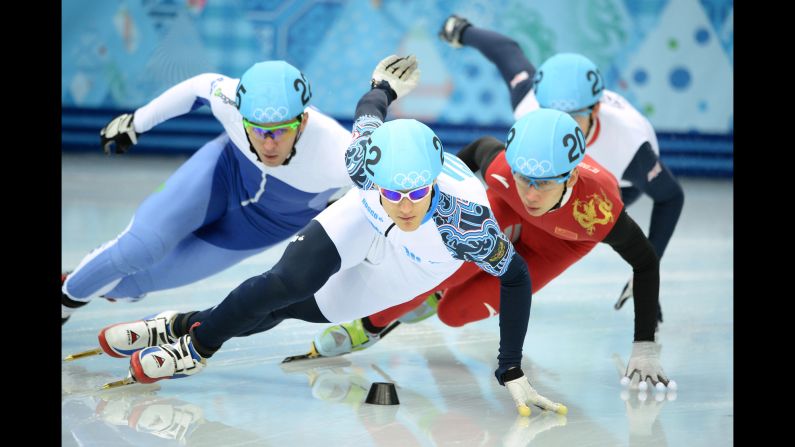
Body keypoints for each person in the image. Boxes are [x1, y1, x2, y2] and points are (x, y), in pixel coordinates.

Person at [92, 55, 565, 416]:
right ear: (373, 175)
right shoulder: (363, 162)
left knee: (290, 309)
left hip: (418, 263)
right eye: (392, 191)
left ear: (432, 184)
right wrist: (383, 85)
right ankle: (196, 347)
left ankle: (182, 322)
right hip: (362, 216)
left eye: (416, 191)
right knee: (284, 282)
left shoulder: (465, 224)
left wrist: (510, 368)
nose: (403, 203)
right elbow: (370, 109)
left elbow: (516, 277)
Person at [310, 75, 675, 390]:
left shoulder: (598, 208)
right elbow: (464, 158)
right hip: (504, 209)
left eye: (544, 184)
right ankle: (371, 325)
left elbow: (645, 263)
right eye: (524, 179)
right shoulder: (500, 167)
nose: (531, 194)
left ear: (572, 177)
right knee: (442, 267)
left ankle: (438, 298)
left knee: (454, 313)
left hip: (560, 245)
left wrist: (644, 345)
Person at [61, 60, 353, 325]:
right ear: (242, 115)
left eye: (280, 130)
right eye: (256, 129)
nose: (268, 144)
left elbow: (384, 194)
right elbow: (197, 86)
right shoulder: (230, 99)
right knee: (141, 247)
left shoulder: (339, 152)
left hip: (264, 227)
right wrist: (136, 123)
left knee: (134, 284)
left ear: (302, 122)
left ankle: (93, 274)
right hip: (221, 175)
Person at [443, 15, 684, 314]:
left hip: (612, 186)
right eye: (548, 114)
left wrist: (649, 269)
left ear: (596, 109)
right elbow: (506, 51)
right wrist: (462, 31)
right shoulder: (529, 99)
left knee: (551, 229)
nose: (558, 127)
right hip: (547, 181)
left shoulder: (629, 147)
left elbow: (671, 197)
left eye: (571, 118)